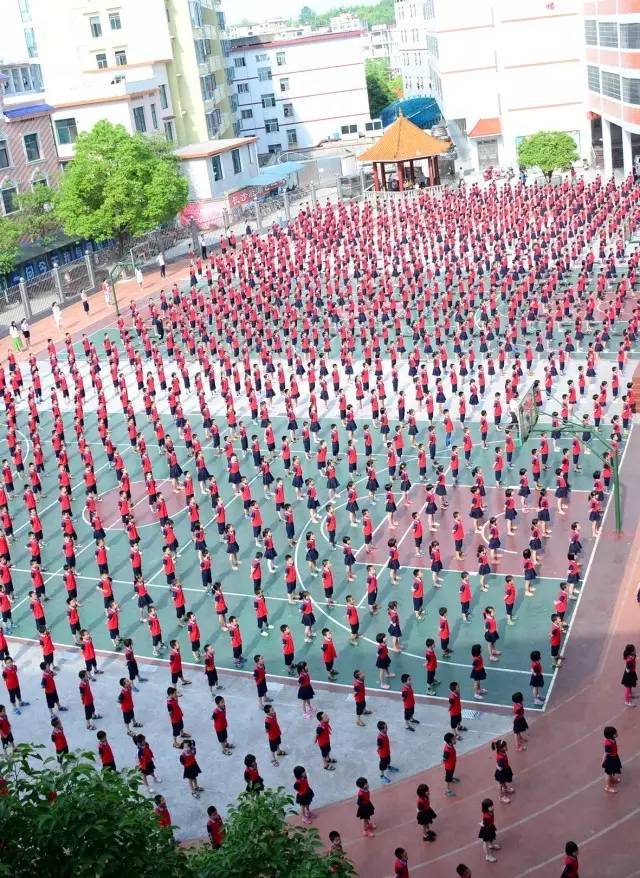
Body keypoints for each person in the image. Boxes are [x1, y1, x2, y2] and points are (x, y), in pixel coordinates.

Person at [478, 798, 500, 862]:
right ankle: (487, 856)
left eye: (492, 805)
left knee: (491, 837)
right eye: (490, 806)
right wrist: (481, 823)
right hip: (486, 830)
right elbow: (484, 823)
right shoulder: (486, 816)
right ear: (486, 808)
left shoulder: (490, 812)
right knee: (485, 842)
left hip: (490, 827)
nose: (492, 807)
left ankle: (491, 845)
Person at [602, 725, 622, 792]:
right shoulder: (608, 744)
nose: (617, 734)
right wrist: (603, 761)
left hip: (614, 757)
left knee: (611, 771)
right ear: (611, 735)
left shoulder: (612, 739)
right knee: (608, 773)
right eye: (615, 733)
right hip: (610, 760)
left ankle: (612, 779)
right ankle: (607, 787)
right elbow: (605, 753)